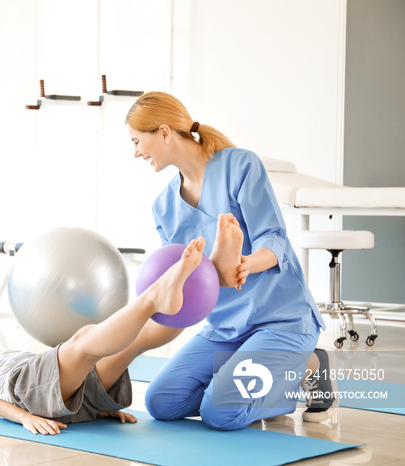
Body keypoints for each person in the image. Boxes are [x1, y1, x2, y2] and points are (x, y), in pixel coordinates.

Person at [125, 91, 337, 430]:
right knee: (161, 402)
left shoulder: (240, 165)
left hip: (279, 319)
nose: (135, 152)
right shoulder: (163, 206)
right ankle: (249, 384)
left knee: (219, 412)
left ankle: (309, 364)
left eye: (138, 141)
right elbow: (181, 279)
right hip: (225, 328)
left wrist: (246, 265)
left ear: (164, 132)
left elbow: (274, 238)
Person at [0, 235, 236, 435]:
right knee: (83, 341)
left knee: (134, 344)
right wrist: (23, 419)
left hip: (63, 398)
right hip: (26, 392)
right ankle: (154, 299)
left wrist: (99, 407)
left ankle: (207, 287)